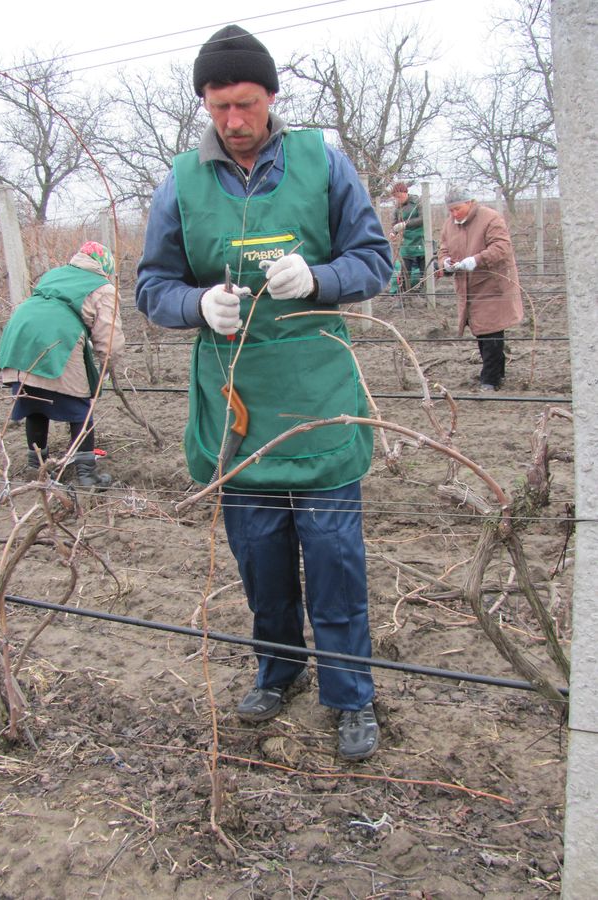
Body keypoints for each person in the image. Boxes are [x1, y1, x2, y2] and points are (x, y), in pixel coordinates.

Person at [136, 25, 392, 761]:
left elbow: (374, 261)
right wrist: (194, 307)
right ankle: (278, 670)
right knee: (260, 556)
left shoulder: (322, 163)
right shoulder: (180, 182)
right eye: (217, 108)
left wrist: (319, 278)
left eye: (244, 105)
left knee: (334, 556)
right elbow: (152, 286)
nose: (232, 122)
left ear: (272, 98)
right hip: (236, 406)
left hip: (317, 396)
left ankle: (350, 693)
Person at [0, 241, 125, 487]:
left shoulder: (54, 274)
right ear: (104, 266)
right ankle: (87, 476)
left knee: (34, 403)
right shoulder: (104, 287)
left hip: (19, 337)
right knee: (80, 408)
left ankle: (37, 470)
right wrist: (106, 368)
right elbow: (110, 338)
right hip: (57, 339)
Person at [438, 185, 523, 392]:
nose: (453, 214)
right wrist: (445, 263)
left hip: (492, 285)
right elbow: (443, 249)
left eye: (457, 209)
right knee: (482, 332)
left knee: (491, 331)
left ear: (470, 202)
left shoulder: (491, 219)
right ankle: (497, 373)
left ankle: (490, 380)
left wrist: (476, 260)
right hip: (468, 288)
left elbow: (502, 248)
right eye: (450, 210)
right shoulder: (450, 225)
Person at [388, 182, 425, 293]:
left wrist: (405, 224)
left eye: (400, 196)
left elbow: (423, 218)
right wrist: (392, 233)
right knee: (405, 271)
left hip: (421, 240)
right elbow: (394, 224)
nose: (399, 199)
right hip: (407, 243)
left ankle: (425, 292)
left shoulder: (418, 202)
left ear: (406, 193)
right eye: (396, 197)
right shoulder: (396, 209)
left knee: (424, 270)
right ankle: (404, 293)